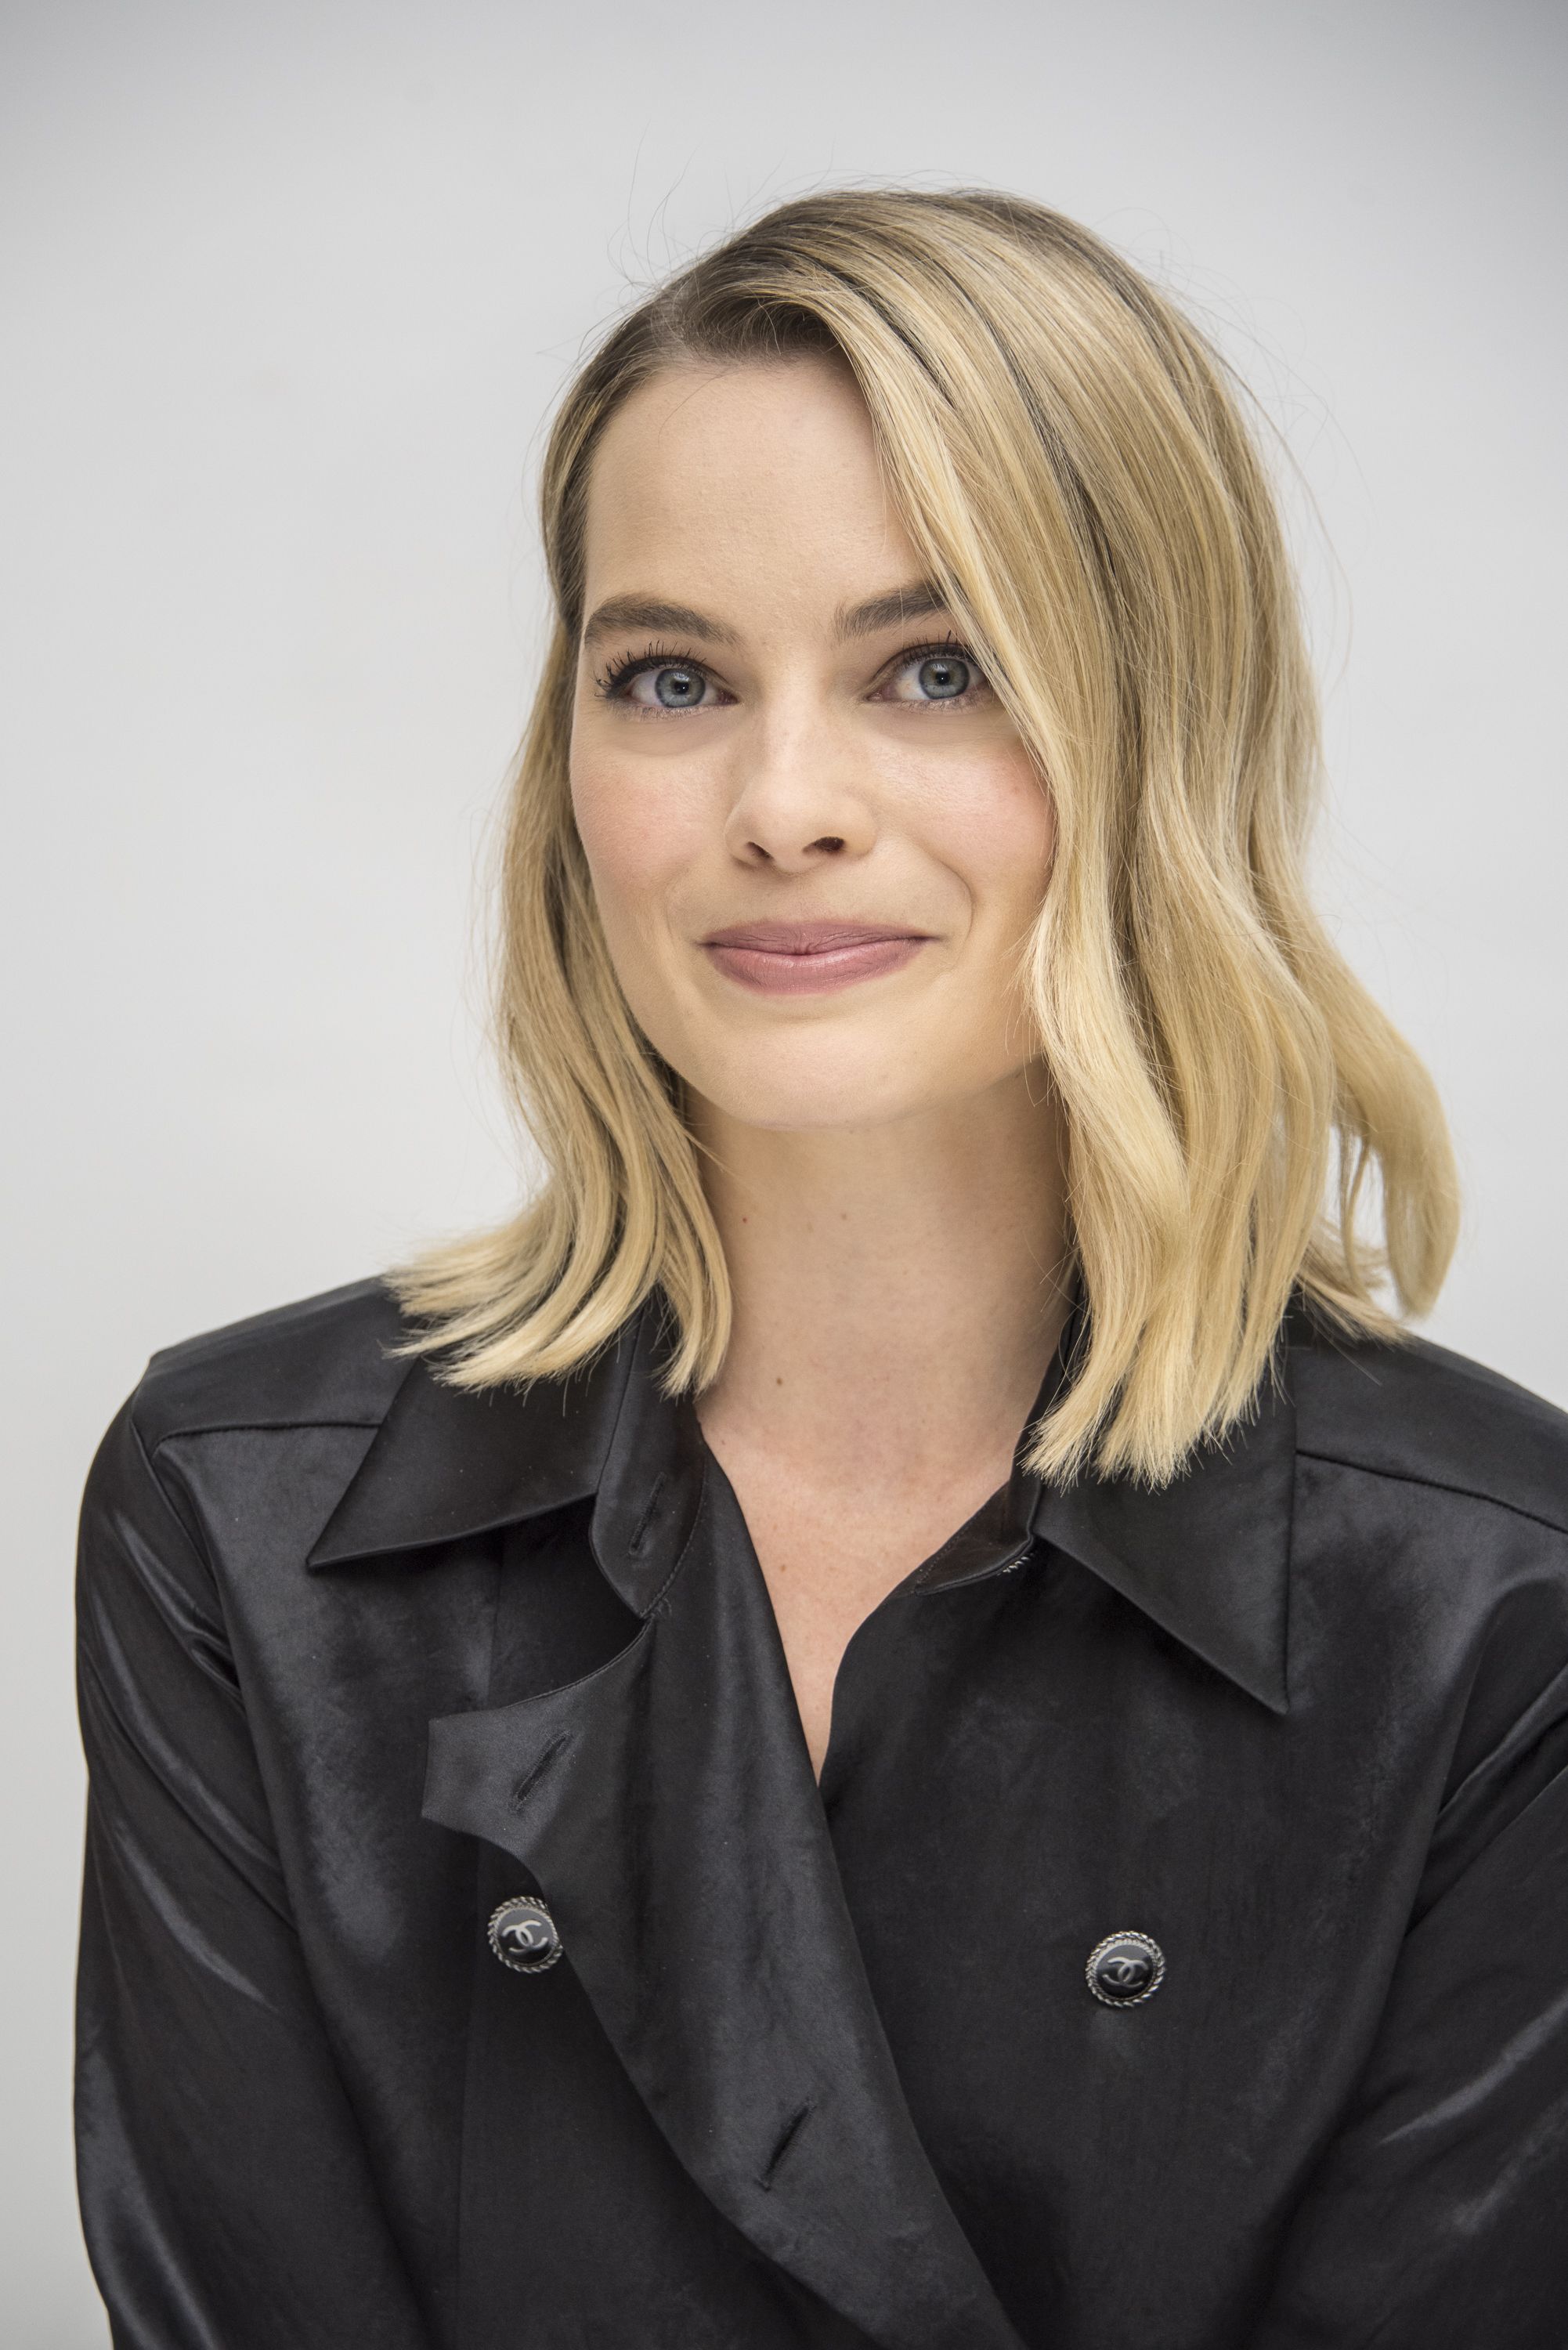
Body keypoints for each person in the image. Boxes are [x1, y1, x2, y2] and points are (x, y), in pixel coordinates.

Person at [74, 189, 1568, 2349]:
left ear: (1159, 731)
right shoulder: (240, 1506)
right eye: (671, 678)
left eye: (933, 669)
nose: (782, 803)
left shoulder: (1498, 1606)